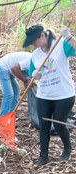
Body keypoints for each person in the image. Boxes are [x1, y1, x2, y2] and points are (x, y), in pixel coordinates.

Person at [22, 24, 76, 165]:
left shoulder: (61, 44)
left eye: (35, 40)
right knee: (43, 125)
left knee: (59, 124)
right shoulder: (35, 55)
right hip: (44, 95)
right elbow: (34, 75)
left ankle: (67, 148)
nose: (33, 44)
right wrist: (35, 75)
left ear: (42, 35)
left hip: (63, 95)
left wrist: (70, 38)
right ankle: (43, 156)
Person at [0, 52, 31, 116]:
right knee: (9, 94)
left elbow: (27, 80)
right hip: (1, 67)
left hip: (8, 70)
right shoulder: (31, 61)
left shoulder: (34, 63)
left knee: (16, 91)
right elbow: (14, 69)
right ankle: (3, 118)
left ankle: (10, 115)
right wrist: (26, 81)